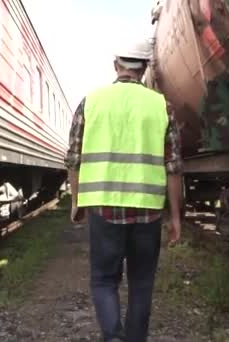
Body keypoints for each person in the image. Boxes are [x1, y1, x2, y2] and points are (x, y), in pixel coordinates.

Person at [64, 38, 183, 342]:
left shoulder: (91, 102)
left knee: (104, 280)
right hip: (148, 210)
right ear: (144, 69)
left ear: (116, 65)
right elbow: (173, 166)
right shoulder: (161, 106)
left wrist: (76, 201)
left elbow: (74, 159)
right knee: (142, 284)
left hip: (103, 209)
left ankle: (113, 337)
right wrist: (176, 217)